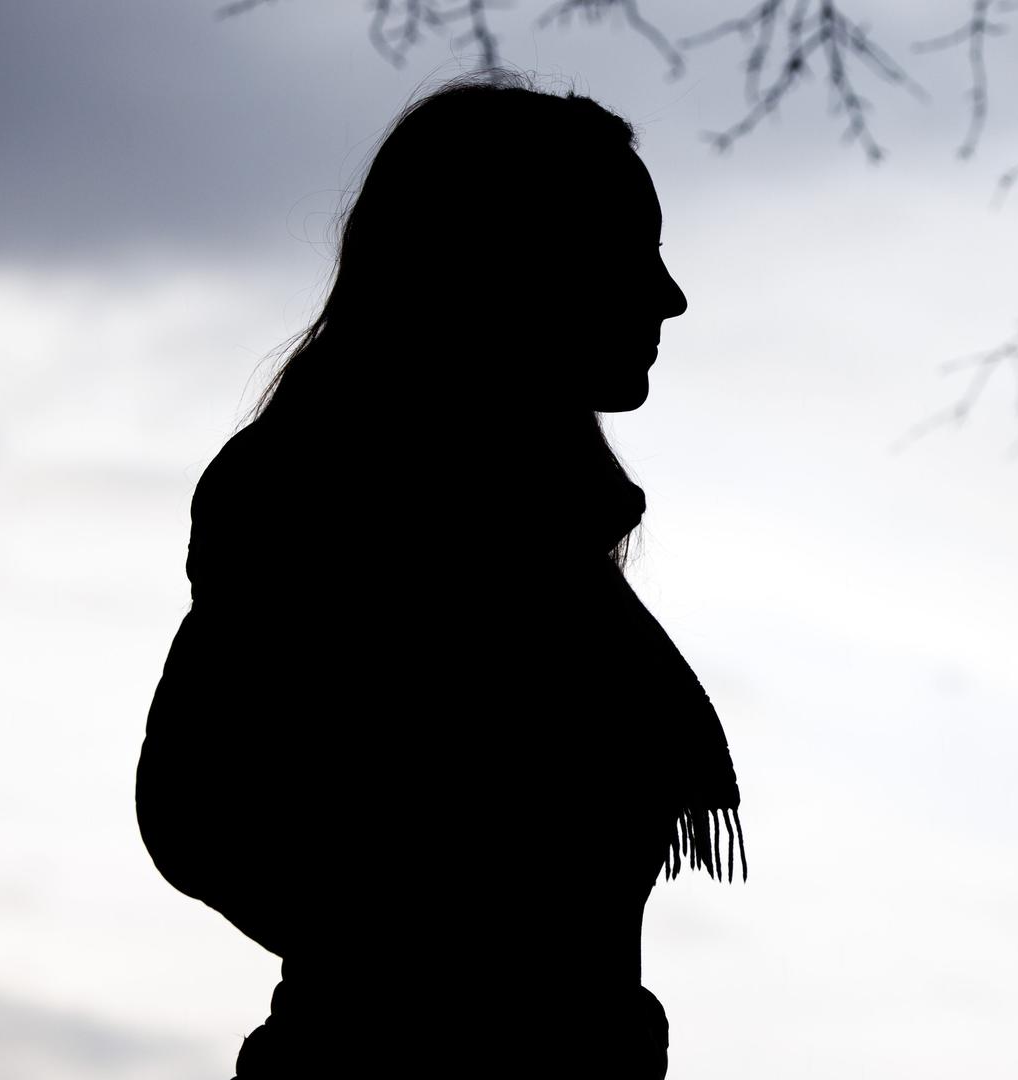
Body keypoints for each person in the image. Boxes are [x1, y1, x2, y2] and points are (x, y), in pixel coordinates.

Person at [134, 71, 746, 1078]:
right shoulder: (341, 499)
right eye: (630, 252)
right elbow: (201, 812)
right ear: (513, 264)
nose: (668, 296)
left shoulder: (544, 539)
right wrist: (452, 995)